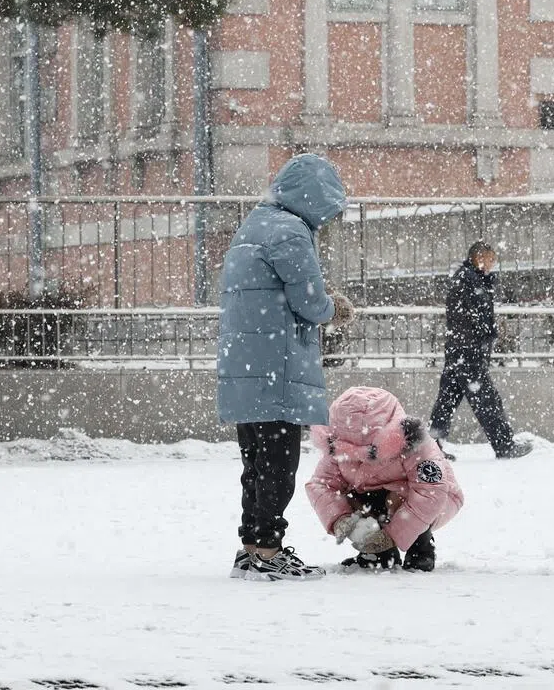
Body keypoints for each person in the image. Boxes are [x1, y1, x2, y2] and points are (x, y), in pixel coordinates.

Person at [218, 153, 353, 582]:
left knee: (255, 463)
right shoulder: (291, 232)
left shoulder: (253, 225)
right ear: (313, 197)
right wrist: (337, 309)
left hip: (247, 365)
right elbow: (310, 302)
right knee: (279, 464)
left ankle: (251, 547)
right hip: (277, 365)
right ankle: (269, 551)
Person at [306, 386, 463, 571]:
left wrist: (393, 536)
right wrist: (341, 519)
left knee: (399, 498)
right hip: (373, 496)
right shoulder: (337, 446)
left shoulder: (415, 444)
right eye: (349, 446)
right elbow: (322, 484)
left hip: (435, 498)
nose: (356, 454)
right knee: (352, 501)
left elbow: (431, 490)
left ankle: (421, 547)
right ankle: (377, 553)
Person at [429, 241, 532, 459]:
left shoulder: (469, 279)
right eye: (490, 259)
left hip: (459, 350)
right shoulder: (469, 280)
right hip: (468, 352)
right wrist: (486, 336)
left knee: (447, 400)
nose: (493, 264)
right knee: (486, 399)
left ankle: (430, 448)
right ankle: (504, 445)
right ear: (478, 258)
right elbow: (474, 317)